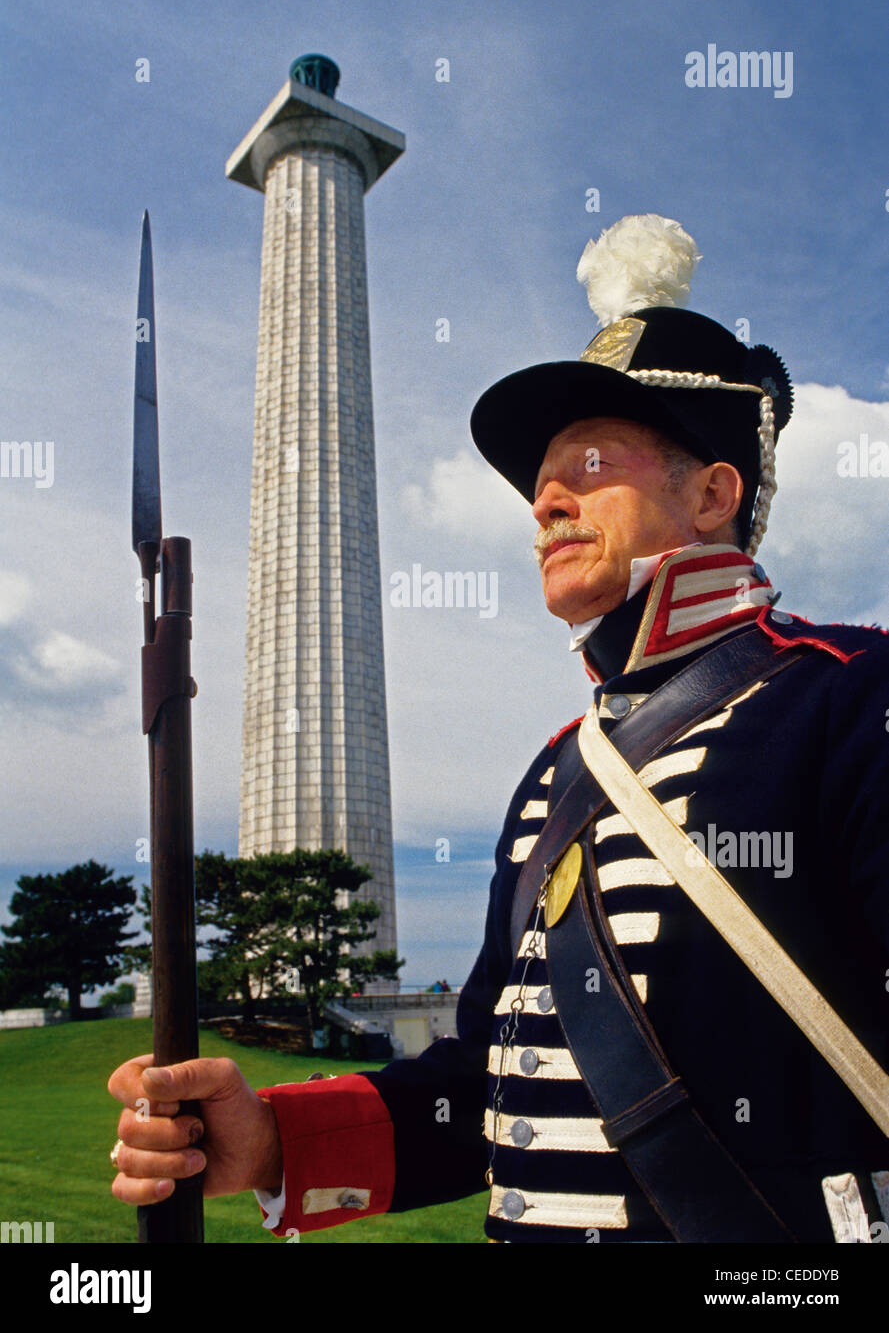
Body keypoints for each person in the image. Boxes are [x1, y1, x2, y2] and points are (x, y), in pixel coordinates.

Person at [108, 215, 889, 1243]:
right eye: (539, 482)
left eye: (590, 462)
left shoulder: (849, 700)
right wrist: (271, 1142)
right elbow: (485, 1076)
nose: (545, 502)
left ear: (712, 493)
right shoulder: (558, 774)